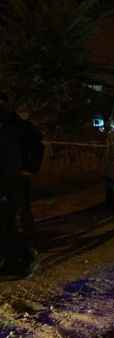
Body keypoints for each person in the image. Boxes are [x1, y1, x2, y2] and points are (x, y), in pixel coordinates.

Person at [0, 93, 42, 279]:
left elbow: (37, 146)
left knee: (17, 217)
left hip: (15, 179)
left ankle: (26, 257)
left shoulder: (19, 127)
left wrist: (30, 168)